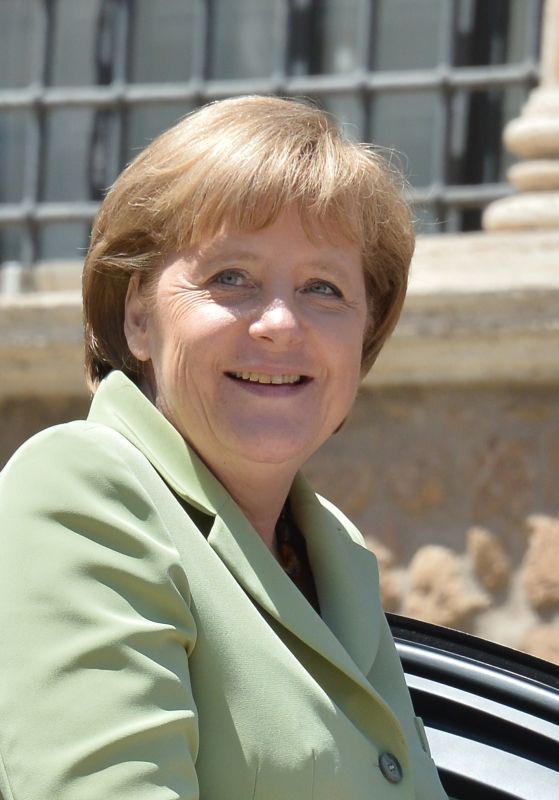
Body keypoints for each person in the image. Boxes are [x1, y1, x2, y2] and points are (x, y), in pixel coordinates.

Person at [0, 96, 448, 799]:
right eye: (230, 278)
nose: (279, 323)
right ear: (140, 318)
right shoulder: (84, 492)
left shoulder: (332, 552)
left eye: (323, 288)